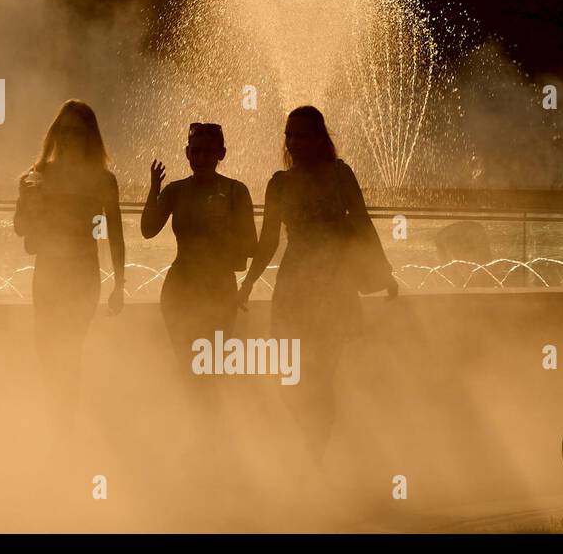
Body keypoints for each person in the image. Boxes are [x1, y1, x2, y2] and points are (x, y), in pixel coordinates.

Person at [237, 105, 396, 459]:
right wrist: (248, 282)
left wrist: (382, 270)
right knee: (287, 376)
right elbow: (269, 241)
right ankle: (311, 444)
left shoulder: (340, 175)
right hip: (294, 284)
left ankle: (314, 455)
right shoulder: (280, 183)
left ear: (320, 138)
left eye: (302, 134)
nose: (293, 142)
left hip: (334, 285)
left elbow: (362, 223)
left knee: (320, 376)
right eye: (289, 134)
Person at [14, 100, 125, 434]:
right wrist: (32, 204)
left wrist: (120, 283)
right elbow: (20, 228)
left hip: (82, 275)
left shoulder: (103, 181)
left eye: (77, 131)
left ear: (90, 136)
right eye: (63, 130)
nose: (69, 137)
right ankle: (58, 415)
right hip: (48, 272)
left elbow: (114, 235)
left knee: (69, 347)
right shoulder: (36, 177)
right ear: (55, 133)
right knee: (46, 347)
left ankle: (64, 424)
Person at [141, 123, 256, 389]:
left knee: (211, 370)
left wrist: (223, 226)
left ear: (222, 154)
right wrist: (153, 188)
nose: (201, 159)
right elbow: (148, 230)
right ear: (187, 153)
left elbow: (251, 246)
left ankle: (210, 424)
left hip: (219, 290)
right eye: (196, 152)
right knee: (187, 367)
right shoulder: (175, 191)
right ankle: (196, 424)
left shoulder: (236, 192)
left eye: (208, 152)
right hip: (180, 289)